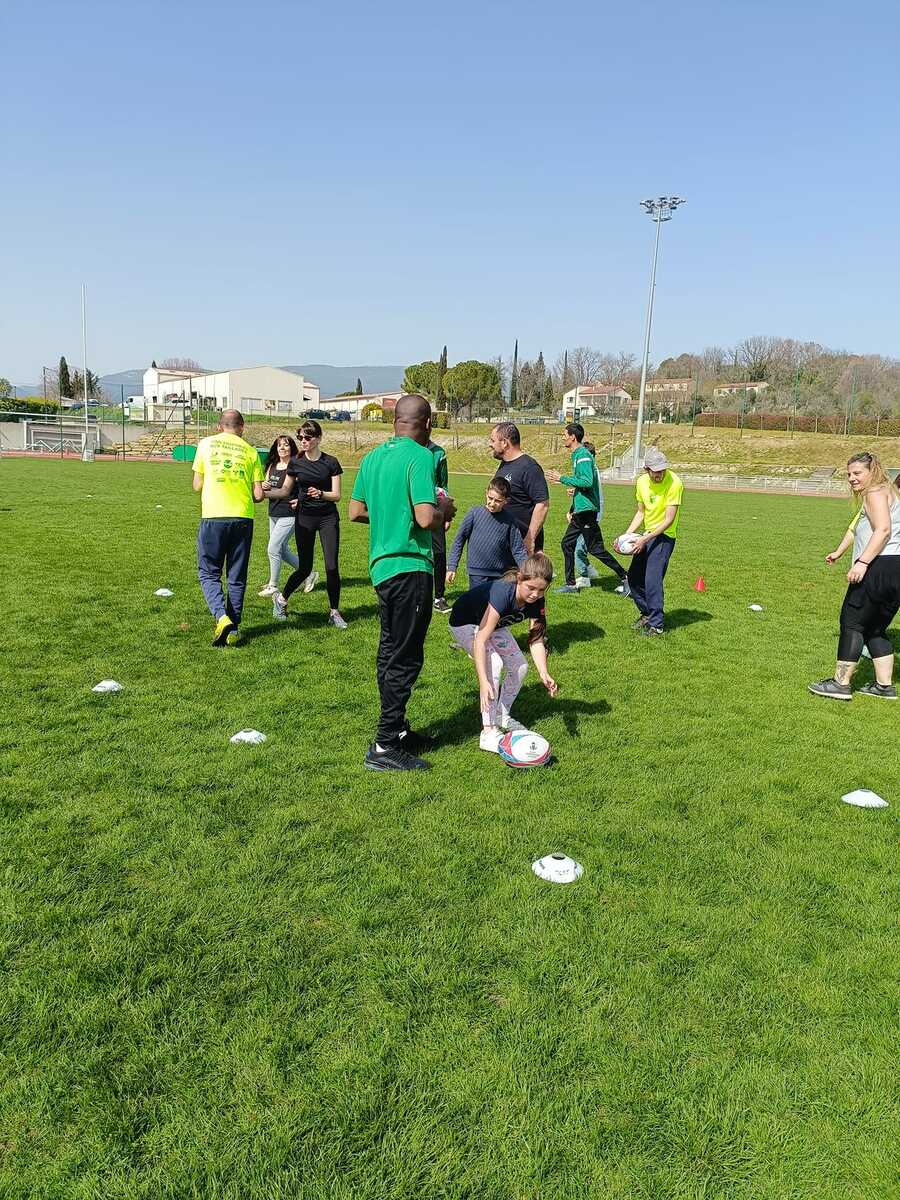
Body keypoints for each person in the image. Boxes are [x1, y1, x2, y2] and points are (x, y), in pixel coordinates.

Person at [349, 394, 457, 770]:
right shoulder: (421, 457)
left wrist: (389, 517)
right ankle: (383, 745)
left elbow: (356, 511)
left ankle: (396, 730)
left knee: (389, 650)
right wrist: (446, 508)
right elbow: (427, 517)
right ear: (427, 424)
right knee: (405, 656)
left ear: (395, 420)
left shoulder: (371, 457)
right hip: (411, 566)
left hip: (381, 568)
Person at [809, 452, 900, 701]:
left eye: (857, 473)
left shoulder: (874, 493)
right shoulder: (886, 492)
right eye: (849, 473)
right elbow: (860, 526)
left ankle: (841, 684)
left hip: (879, 567)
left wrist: (862, 562)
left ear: (873, 471)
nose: (851, 478)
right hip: (895, 569)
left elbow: (882, 530)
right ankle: (884, 686)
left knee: (852, 622)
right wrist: (839, 552)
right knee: (875, 629)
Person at [449, 553, 559, 752]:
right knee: (494, 664)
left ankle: (502, 714)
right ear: (519, 579)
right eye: (531, 588)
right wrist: (483, 681)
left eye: (541, 590)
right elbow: (481, 639)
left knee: (520, 666)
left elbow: (536, 639)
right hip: (465, 622)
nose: (535, 594)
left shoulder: (537, 601)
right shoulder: (502, 593)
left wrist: (543, 672)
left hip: (494, 625)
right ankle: (488, 731)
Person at [191, 408, 265, 646]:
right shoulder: (251, 452)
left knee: (209, 571)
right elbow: (258, 494)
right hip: (243, 516)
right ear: (242, 427)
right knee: (237, 574)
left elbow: (196, 484)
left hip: (214, 515)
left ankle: (221, 617)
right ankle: (233, 629)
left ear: (219, 426)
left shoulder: (206, 444)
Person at [267, 420, 347, 629]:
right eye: (300, 437)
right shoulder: (296, 463)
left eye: (308, 437)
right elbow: (285, 491)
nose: (303, 441)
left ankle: (334, 612)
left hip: (328, 517)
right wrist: (261, 493)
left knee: (331, 566)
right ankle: (281, 599)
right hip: (305, 518)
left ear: (318, 438)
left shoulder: (331, 462)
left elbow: (337, 496)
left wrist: (321, 494)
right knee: (305, 568)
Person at [549, 423, 629, 596]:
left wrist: (562, 478)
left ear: (572, 437)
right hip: (582, 511)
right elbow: (584, 484)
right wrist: (573, 488)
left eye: (565, 434)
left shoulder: (583, 455)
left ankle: (626, 577)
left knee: (594, 549)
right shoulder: (578, 455)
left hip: (586, 512)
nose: (563, 437)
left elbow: (587, 481)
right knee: (569, 544)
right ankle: (571, 585)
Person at [616, 447, 684, 636]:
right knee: (634, 578)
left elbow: (669, 519)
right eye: (656, 471)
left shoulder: (674, 483)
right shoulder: (641, 483)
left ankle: (657, 625)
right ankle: (646, 613)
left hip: (664, 536)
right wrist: (626, 536)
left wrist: (644, 539)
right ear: (647, 469)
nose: (660, 474)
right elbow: (641, 512)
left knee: (652, 580)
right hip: (646, 534)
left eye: (662, 470)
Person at [447, 476, 528, 587]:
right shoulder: (474, 513)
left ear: (506, 501)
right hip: (477, 573)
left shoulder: (510, 521)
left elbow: (518, 549)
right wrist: (452, 566)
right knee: (478, 603)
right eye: (490, 498)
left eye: (498, 501)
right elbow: (459, 540)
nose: (492, 503)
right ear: (486, 493)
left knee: (497, 604)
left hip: (500, 575)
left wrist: (526, 571)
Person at [489, 422, 550, 554]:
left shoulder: (529, 467)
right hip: (504, 541)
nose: (490, 444)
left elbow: (542, 504)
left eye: (493, 440)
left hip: (522, 545)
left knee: (525, 575)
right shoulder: (505, 465)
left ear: (505, 442)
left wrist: (529, 539)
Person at [258, 435, 300, 614]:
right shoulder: (271, 466)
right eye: (279, 445)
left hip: (289, 513)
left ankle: (273, 585)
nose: (283, 448)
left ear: (291, 448)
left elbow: (287, 490)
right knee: (282, 550)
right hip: (273, 513)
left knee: (273, 548)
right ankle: (307, 572)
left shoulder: (295, 465)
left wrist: (260, 494)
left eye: (286, 445)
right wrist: (264, 484)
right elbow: (265, 484)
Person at [428, 436, 452, 614]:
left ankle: (439, 597)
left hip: (435, 508)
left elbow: (443, 485)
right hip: (411, 508)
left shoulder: (438, 453)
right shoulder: (408, 450)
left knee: (439, 552)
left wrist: (446, 514)